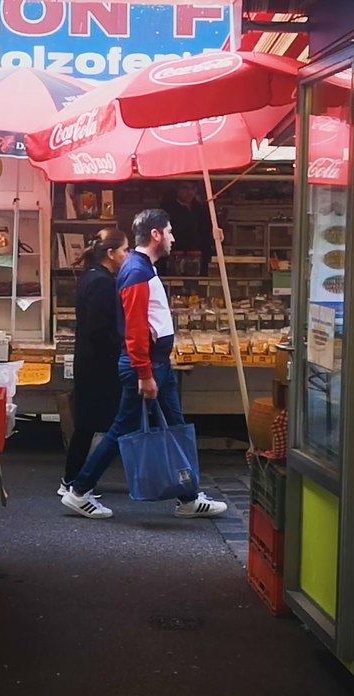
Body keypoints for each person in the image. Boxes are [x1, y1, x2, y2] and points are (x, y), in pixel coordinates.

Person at [60, 209, 228, 520]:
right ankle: (79, 490)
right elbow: (135, 328)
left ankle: (188, 496)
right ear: (155, 235)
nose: (173, 237)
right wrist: (145, 373)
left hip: (156, 364)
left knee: (175, 427)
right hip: (148, 366)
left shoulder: (140, 268)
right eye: (169, 231)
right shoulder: (137, 271)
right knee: (121, 429)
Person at [58, 228, 131, 498]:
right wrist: (121, 346)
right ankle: (74, 481)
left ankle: (74, 479)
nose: (128, 254)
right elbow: (101, 328)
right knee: (95, 424)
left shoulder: (91, 276)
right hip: (99, 364)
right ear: (111, 254)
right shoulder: (102, 282)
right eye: (124, 250)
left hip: (89, 361)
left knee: (88, 425)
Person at [161, 181, 214, 276]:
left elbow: (206, 231)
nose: (190, 192)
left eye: (193, 188)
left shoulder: (201, 208)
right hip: (175, 256)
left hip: (199, 256)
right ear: (177, 189)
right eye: (185, 188)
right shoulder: (167, 209)